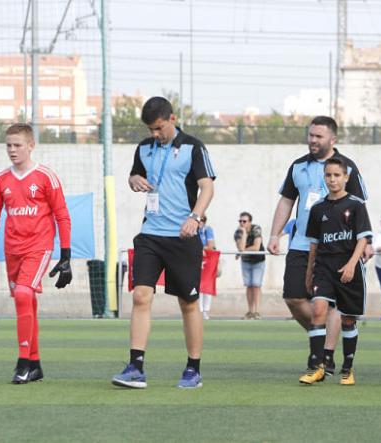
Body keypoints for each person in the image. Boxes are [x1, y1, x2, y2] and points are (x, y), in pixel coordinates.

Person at [112, 97, 215, 389]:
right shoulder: (144, 148)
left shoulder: (194, 147)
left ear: (172, 118)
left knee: (188, 303)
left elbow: (207, 187)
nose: (154, 134)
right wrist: (133, 179)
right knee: (141, 296)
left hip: (183, 237)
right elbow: (136, 175)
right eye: (150, 129)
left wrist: (195, 217)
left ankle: (193, 369)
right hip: (150, 235)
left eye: (158, 128)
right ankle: (135, 366)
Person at [267, 116, 369, 376]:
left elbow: (359, 207)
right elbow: (286, 202)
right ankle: (321, 340)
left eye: (318, 136)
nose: (312, 140)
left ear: (332, 139)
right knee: (293, 296)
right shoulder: (298, 166)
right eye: (310, 135)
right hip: (302, 243)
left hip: (339, 248)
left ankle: (323, 357)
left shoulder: (348, 167)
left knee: (331, 304)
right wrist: (274, 234)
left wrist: (366, 242)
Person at [0, 123, 72, 384]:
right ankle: (36, 364)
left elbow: (62, 215)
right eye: (8, 145)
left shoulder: (46, 177)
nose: (12, 150)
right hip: (12, 250)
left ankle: (22, 362)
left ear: (31, 145)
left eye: (17, 145)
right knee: (25, 301)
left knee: (22, 292)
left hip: (39, 247)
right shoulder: (0, 180)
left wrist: (65, 255)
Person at [301, 158, 372, 386]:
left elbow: (363, 240)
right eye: (328, 175)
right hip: (324, 267)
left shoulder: (356, 204)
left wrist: (352, 264)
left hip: (348, 266)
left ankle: (347, 368)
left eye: (337, 175)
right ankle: (318, 366)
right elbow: (314, 244)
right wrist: (309, 272)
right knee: (318, 310)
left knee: (348, 320)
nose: (332, 179)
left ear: (346, 177)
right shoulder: (318, 208)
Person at [234, 211, 266, 319]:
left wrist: (242, 251)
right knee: (248, 285)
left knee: (256, 285)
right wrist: (243, 233)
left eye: (244, 221)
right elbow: (241, 248)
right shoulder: (238, 232)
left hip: (258, 261)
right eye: (240, 221)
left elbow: (256, 247)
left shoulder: (256, 229)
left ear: (250, 222)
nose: (242, 223)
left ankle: (256, 311)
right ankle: (250, 311)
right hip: (246, 261)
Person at [199, 215, 216, 320]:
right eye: (199, 220)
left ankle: (206, 311)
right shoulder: (193, 229)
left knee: (207, 286)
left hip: (208, 260)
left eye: (203, 220)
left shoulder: (207, 230)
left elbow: (211, 246)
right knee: (198, 286)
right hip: (196, 260)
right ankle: (199, 310)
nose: (201, 222)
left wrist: (200, 248)